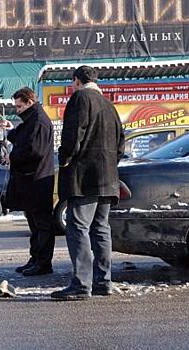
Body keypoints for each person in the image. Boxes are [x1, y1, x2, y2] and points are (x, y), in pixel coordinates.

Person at [51, 66, 125, 301]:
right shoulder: (109, 105)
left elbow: (73, 135)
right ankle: (103, 282)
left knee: (78, 227)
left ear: (76, 81)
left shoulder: (80, 98)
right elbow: (121, 143)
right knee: (101, 228)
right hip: (108, 178)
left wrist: (64, 159)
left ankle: (82, 284)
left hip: (84, 177)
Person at [0, 87, 55, 276]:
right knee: (34, 224)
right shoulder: (31, 120)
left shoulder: (39, 121)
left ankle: (43, 262)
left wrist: (13, 158)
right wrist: (10, 129)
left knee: (42, 224)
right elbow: (23, 137)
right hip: (30, 180)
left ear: (30, 102)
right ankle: (36, 258)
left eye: (19, 106)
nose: (17, 110)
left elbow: (34, 150)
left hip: (37, 180)